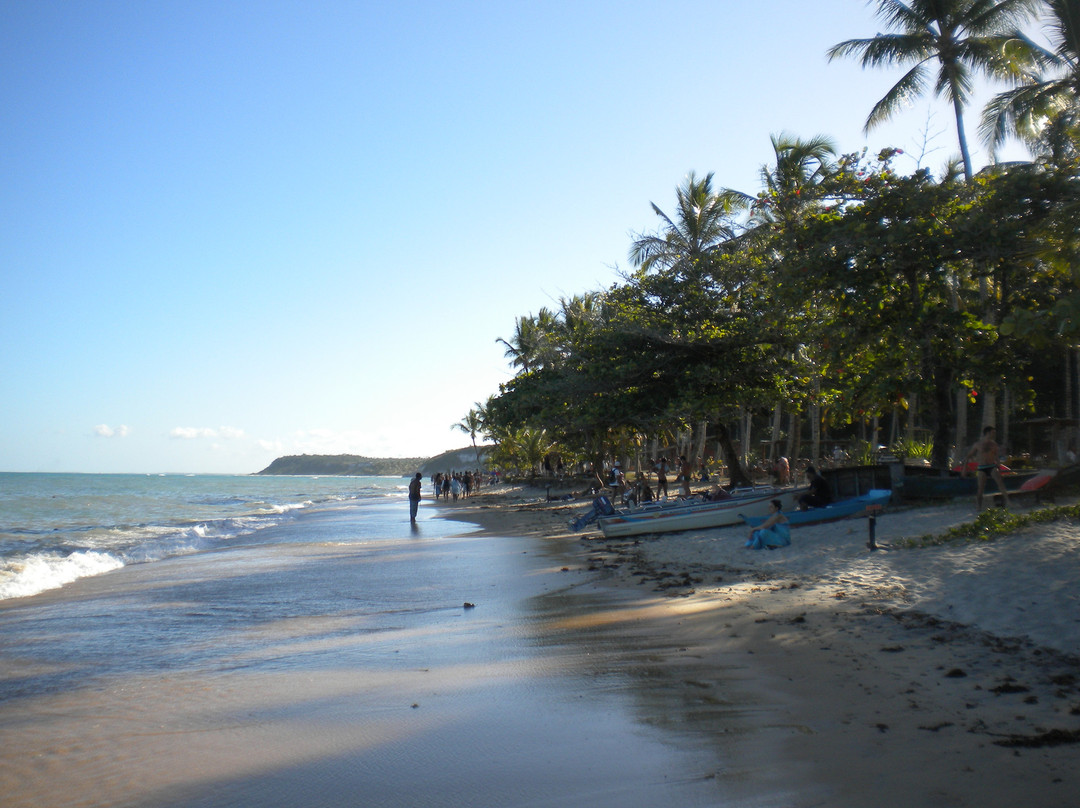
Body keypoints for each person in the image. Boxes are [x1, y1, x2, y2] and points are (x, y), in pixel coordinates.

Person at [962, 426, 1010, 511]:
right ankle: (978, 506)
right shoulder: (978, 444)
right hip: (982, 467)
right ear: (988, 433)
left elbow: (996, 456)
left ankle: (1008, 501)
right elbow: (969, 455)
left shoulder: (994, 444)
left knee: (1000, 482)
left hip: (992, 466)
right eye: (993, 432)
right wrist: (965, 465)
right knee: (980, 488)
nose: (994, 434)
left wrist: (999, 466)